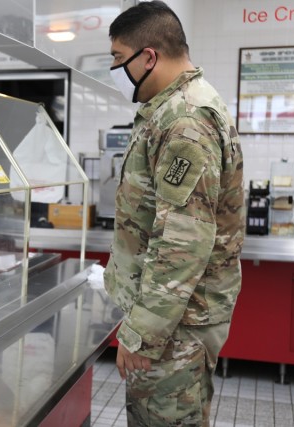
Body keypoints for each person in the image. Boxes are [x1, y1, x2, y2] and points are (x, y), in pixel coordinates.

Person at [103, 2, 245, 426]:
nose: (116, 69)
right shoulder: (172, 108)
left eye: (117, 57)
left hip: (175, 328)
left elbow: (182, 244)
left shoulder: (185, 119)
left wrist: (142, 333)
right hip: (174, 320)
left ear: (148, 56)